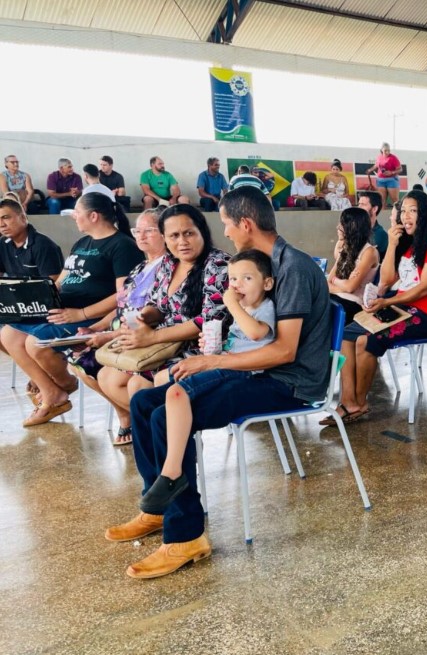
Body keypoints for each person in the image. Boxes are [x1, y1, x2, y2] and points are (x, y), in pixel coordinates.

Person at [106, 185, 331, 579]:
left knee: (165, 417)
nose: (225, 232)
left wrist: (214, 361)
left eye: (227, 224)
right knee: (144, 404)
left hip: (287, 382)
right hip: (254, 370)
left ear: (245, 223)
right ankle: (156, 506)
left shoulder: (291, 268)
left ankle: (185, 535)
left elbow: (284, 352)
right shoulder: (262, 262)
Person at [137, 249, 276, 514]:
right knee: (144, 398)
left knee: (176, 392)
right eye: (233, 279)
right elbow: (237, 340)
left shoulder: (264, 308)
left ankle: (172, 474)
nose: (237, 286)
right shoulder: (245, 308)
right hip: (227, 363)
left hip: (243, 373)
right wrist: (212, 346)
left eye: (247, 278)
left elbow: (257, 335)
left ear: (267, 283)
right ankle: (157, 491)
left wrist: (232, 305)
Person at [1, 192, 143, 425]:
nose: (74, 218)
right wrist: (43, 299)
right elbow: (61, 281)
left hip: (87, 315)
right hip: (62, 310)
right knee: (7, 334)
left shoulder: (122, 246)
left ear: (93, 216)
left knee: (34, 343)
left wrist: (82, 314)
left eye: (77, 213)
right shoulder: (81, 242)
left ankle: (64, 384)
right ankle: (52, 392)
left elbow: (123, 296)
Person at [97, 205, 230, 429]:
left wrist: (152, 337)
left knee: (138, 385)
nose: (182, 242)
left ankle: (168, 437)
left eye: (189, 233)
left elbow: (208, 321)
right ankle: (158, 433)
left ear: (202, 232)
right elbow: (157, 305)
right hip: (165, 342)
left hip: (200, 346)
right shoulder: (169, 263)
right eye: (174, 236)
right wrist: (143, 318)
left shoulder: (218, 265)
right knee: (107, 378)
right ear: (165, 239)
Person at [330, 190, 427, 425]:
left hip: (423, 315)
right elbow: (386, 281)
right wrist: (394, 244)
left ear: (425, 214)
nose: (406, 216)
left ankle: (360, 402)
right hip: (400, 308)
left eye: (413, 211)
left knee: (366, 340)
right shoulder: (408, 246)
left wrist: (387, 302)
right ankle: (348, 400)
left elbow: (425, 289)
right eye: (403, 211)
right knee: (346, 334)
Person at [69, 209, 167, 445]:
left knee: (108, 376)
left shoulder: (167, 268)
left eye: (149, 230)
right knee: (78, 361)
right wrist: (95, 328)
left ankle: (159, 428)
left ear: (165, 233)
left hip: (149, 339)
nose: (141, 236)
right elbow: (121, 307)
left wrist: (107, 336)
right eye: (137, 231)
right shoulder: (140, 268)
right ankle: (138, 421)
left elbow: (153, 316)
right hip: (121, 334)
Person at [328, 207, 378, 324]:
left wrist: (336, 281)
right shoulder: (346, 249)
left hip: (352, 304)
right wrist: (343, 285)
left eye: (342, 224)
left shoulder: (369, 252)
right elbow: (327, 283)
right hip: (336, 299)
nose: (338, 228)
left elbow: (351, 287)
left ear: (353, 226)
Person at [0, 198, 64, 278]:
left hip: (39, 290)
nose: (1, 224)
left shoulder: (43, 245)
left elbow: (52, 286)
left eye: (5, 217)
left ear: (23, 218)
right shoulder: (3, 243)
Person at [365, 143, 402, 207]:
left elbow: (400, 169)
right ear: (381, 150)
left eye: (388, 150)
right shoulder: (379, 157)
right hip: (380, 180)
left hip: (392, 180)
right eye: (385, 150)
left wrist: (391, 172)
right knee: (381, 201)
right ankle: (382, 216)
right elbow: (376, 165)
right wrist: (370, 170)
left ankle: (398, 216)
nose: (387, 152)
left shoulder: (393, 158)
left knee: (395, 201)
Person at [357, 191, 388, 260]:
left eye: (363, 204)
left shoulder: (381, 234)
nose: (359, 207)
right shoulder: (354, 229)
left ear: (374, 209)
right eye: (359, 204)